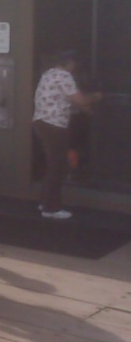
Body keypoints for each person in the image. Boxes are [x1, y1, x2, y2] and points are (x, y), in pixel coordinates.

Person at [32, 50, 101, 219]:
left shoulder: (48, 74)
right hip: (55, 126)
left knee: (53, 164)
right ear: (69, 62)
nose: (75, 67)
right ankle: (51, 209)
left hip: (41, 123)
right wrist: (97, 96)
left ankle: (45, 202)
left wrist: (85, 109)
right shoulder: (64, 76)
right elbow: (81, 100)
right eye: (74, 64)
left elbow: (68, 100)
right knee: (59, 167)